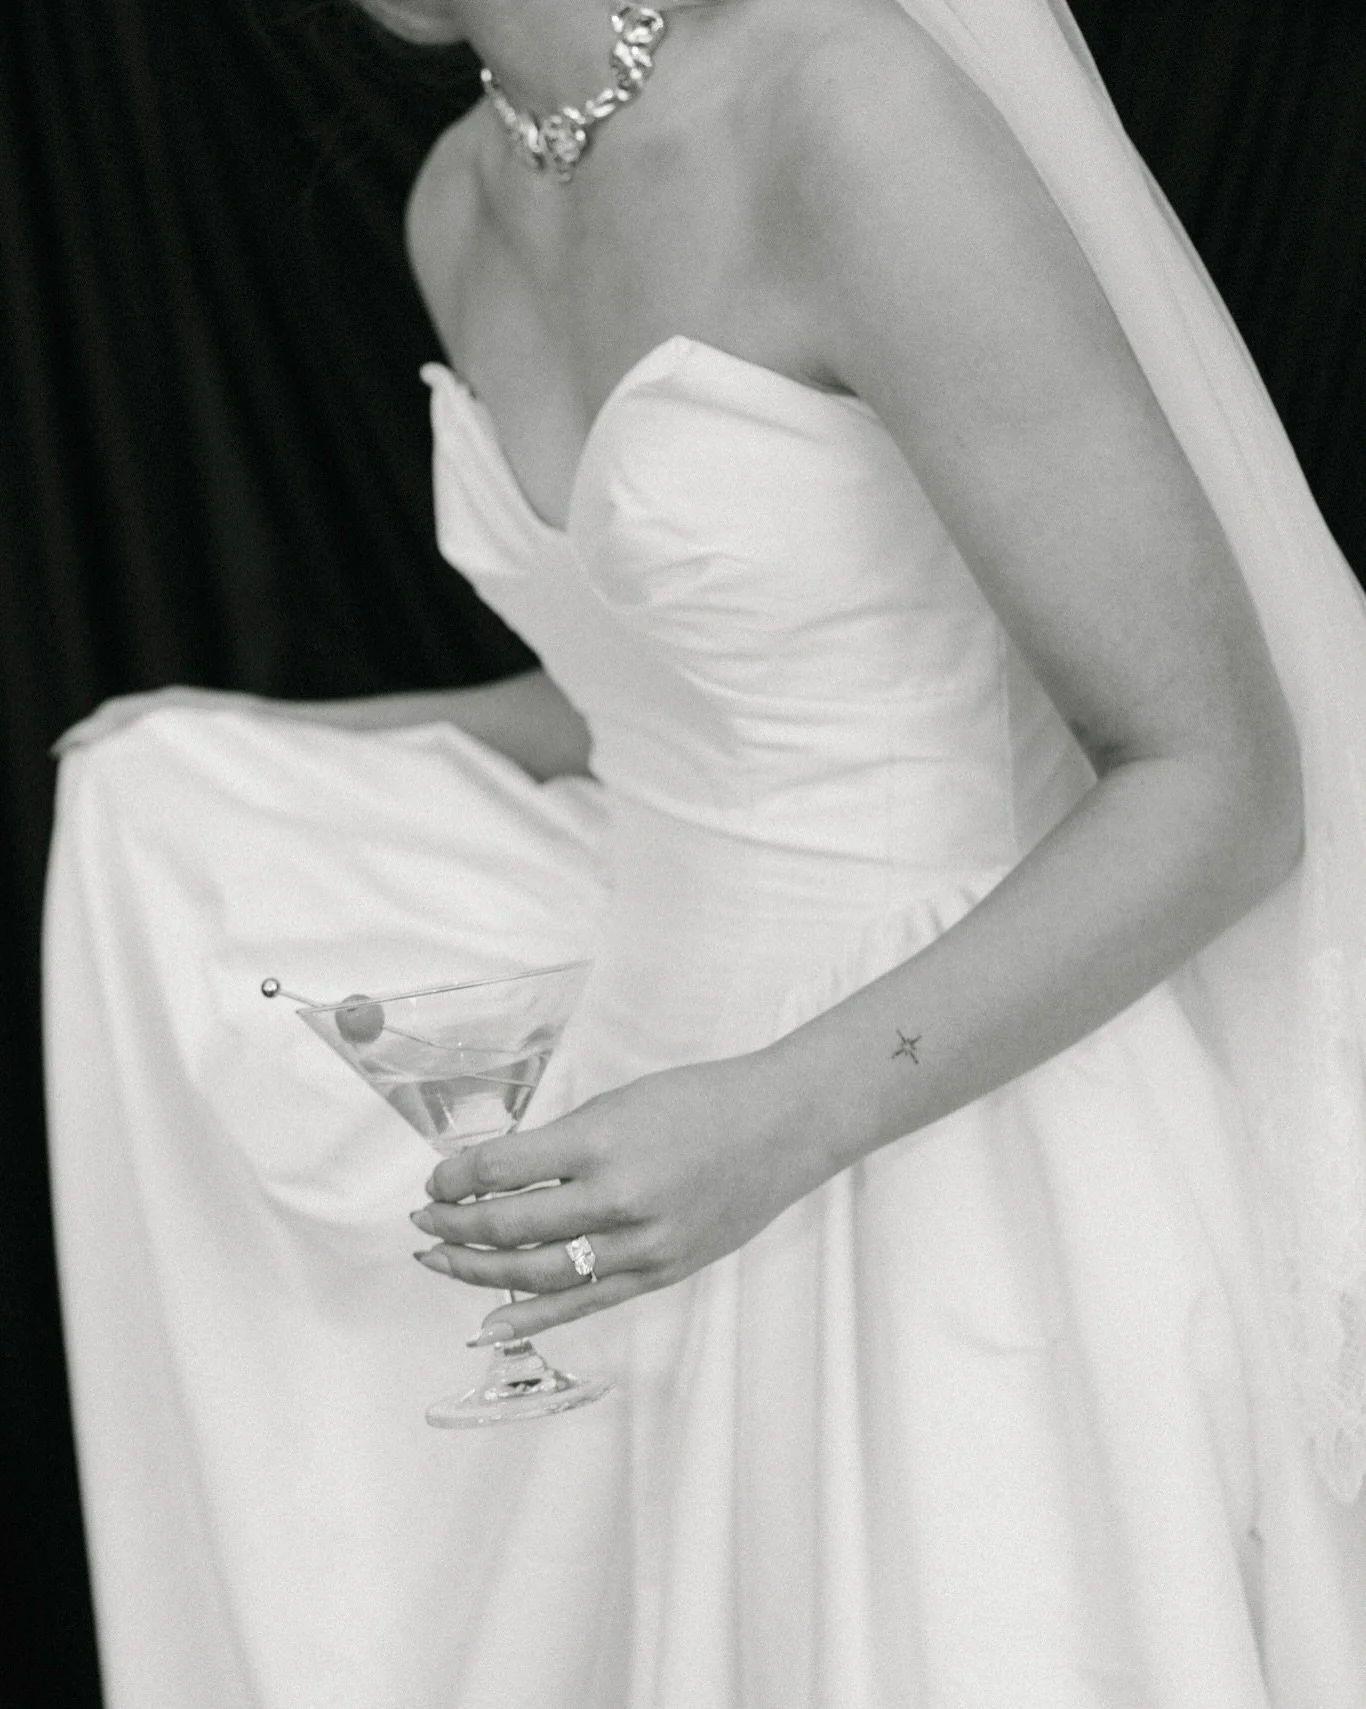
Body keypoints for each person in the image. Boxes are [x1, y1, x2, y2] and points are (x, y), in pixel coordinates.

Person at [46, 1, 1366, 1705]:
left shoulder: (849, 111)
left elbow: (1218, 784)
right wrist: (225, 750)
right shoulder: (458, 198)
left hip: (947, 1118)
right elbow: (660, 676)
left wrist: (778, 1118)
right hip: (636, 1127)